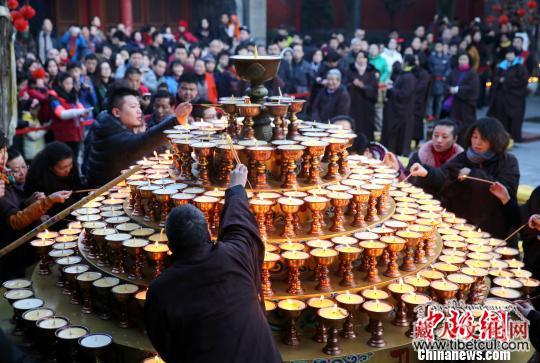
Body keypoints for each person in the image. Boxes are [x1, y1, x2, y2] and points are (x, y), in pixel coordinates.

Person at [145, 163, 281, 363]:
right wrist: (235, 189)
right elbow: (240, 225)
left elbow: (167, 347)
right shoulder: (236, 255)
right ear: (209, 233)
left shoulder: (160, 291)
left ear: (170, 246)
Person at [409, 117, 519, 239]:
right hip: (463, 224)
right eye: (474, 137)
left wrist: (472, 175)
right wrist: (426, 172)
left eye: (483, 139)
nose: (477, 142)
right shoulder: (464, 157)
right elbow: (444, 175)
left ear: (494, 140)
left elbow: (505, 190)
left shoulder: (508, 161)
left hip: (493, 227)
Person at [85, 87, 191, 187]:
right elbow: (141, 143)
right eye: (133, 107)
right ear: (116, 112)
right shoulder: (111, 135)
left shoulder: (106, 121)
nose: (139, 111)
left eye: (139, 106)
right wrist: (175, 121)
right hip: (103, 193)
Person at [0, 147, 71, 278]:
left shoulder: (14, 183)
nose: (22, 172)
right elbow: (15, 219)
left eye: (24, 167)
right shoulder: (4, 185)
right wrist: (48, 201)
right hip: (12, 252)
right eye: (15, 170)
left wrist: (29, 202)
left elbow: (17, 205)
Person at [25, 142, 81, 215]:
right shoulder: (37, 178)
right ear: (50, 167)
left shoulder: (72, 168)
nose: (68, 170)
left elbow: (78, 189)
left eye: (70, 164)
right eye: (62, 167)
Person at [487, 48, 529, 142]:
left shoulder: (520, 67)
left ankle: (513, 138)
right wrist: (499, 80)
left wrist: (506, 81)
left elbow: (523, 81)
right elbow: (494, 78)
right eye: (507, 54)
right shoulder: (501, 66)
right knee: (501, 117)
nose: (509, 56)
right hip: (501, 96)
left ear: (515, 55)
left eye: (511, 54)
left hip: (514, 97)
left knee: (513, 119)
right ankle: (501, 138)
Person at [49, 72, 92, 157]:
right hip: (63, 137)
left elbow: (81, 109)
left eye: (71, 83)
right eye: (67, 83)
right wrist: (81, 112)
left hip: (76, 135)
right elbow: (62, 114)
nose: (70, 86)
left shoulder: (73, 95)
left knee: (75, 160)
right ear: (60, 83)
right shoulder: (53, 97)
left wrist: (85, 112)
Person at [381, 56, 417, 156]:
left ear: (406, 63)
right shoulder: (405, 75)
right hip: (398, 109)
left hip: (403, 110)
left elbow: (404, 94)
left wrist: (391, 89)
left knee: (402, 133)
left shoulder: (409, 77)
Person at [444, 52, 480, 145]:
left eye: (465, 59)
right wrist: (450, 89)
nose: (462, 61)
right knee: (454, 125)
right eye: (461, 59)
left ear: (468, 61)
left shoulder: (472, 73)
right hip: (455, 104)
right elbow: (447, 84)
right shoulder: (453, 72)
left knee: (467, 126)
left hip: (467, 104)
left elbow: (473, 87)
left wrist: (458, 90)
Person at [347, 51, 378, 142]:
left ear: (366, 59)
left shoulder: (371, 72)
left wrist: (363, 87)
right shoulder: (351, 70)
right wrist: (353, 84)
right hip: (353, 103)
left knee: (367, 126)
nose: (361, 60)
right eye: (359, 57)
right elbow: (345, 85)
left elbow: (374, 88)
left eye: (363, 58)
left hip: (367, 104)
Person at [428, 41, 450, 119]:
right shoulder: (432, 57)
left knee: (439, 100)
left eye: (440, 46)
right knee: (431, 100)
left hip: (442, 82)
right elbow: (430, 68)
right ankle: (430, 116)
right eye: (437, 46)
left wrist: (445, 76)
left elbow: (448, 68)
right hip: (433, 81)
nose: (439, 48)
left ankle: (437, 116)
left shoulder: (446, 57)